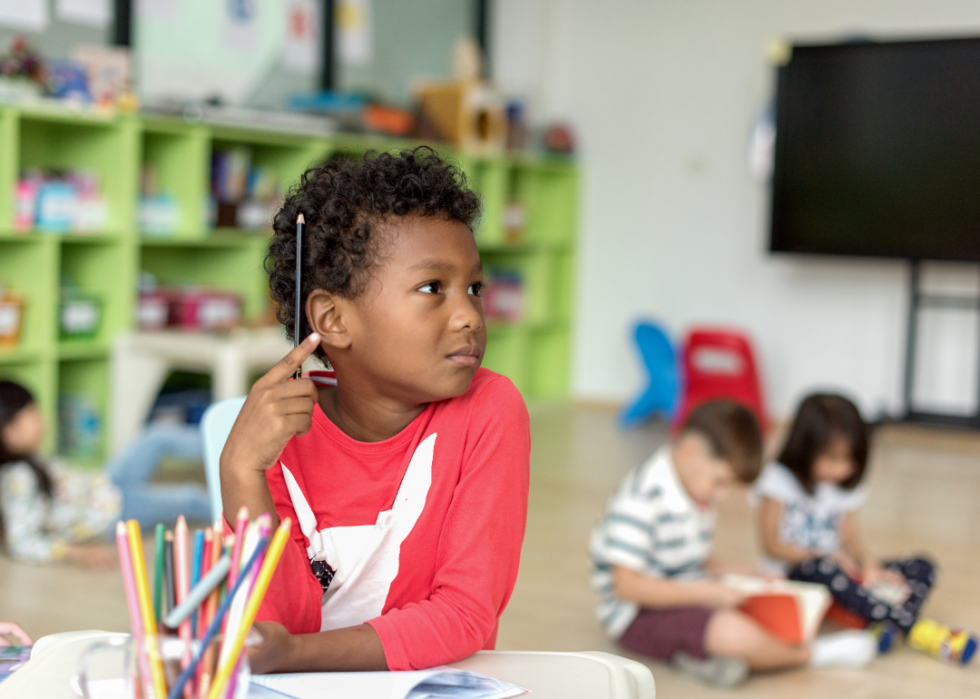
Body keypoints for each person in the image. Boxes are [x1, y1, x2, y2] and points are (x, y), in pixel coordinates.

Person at [221, 148, 530, 673]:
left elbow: (464, 615)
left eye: (473, 288)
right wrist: (240, 473)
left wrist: (295, 654)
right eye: (433, 288)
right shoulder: (277, 431)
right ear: (333, 319)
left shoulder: (489, 410)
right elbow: (279, 621)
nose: (469, 317)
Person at [589, 400, 878, 688]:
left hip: (685, 589)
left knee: (755, 605)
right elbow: (626, 586)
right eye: (720, 482)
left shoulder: (694, 487)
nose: (723, 495)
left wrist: (747, 575)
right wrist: (706, 593)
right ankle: (811, 655)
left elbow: (691, 558)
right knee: (732, 631)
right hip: (636, 616)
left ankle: (712, 658)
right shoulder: (641, 500)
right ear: (691, 452)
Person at [756, 392, 977, 665]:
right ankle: (917, 630)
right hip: (796, 579)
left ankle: (882, 624)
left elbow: (848, 537)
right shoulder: (778, 481)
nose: (842, 468)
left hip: (843, 580)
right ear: (804, 447)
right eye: (832, 458)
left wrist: (870, 567)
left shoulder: (844, 487)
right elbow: (772, 545)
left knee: (923, 566)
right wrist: (825, 557)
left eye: (850, 460)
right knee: (824, 569)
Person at [0, 380, 212, 569]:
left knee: (156, 437)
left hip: (108, 484)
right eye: (32, 415)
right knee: (190, 498)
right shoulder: (17, 479)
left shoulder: (29, 460)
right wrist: (78, 553)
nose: (42, 421)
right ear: (8, 431)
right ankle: (240, 509)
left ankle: (223, 444)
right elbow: (20, 542)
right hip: (113, 514)